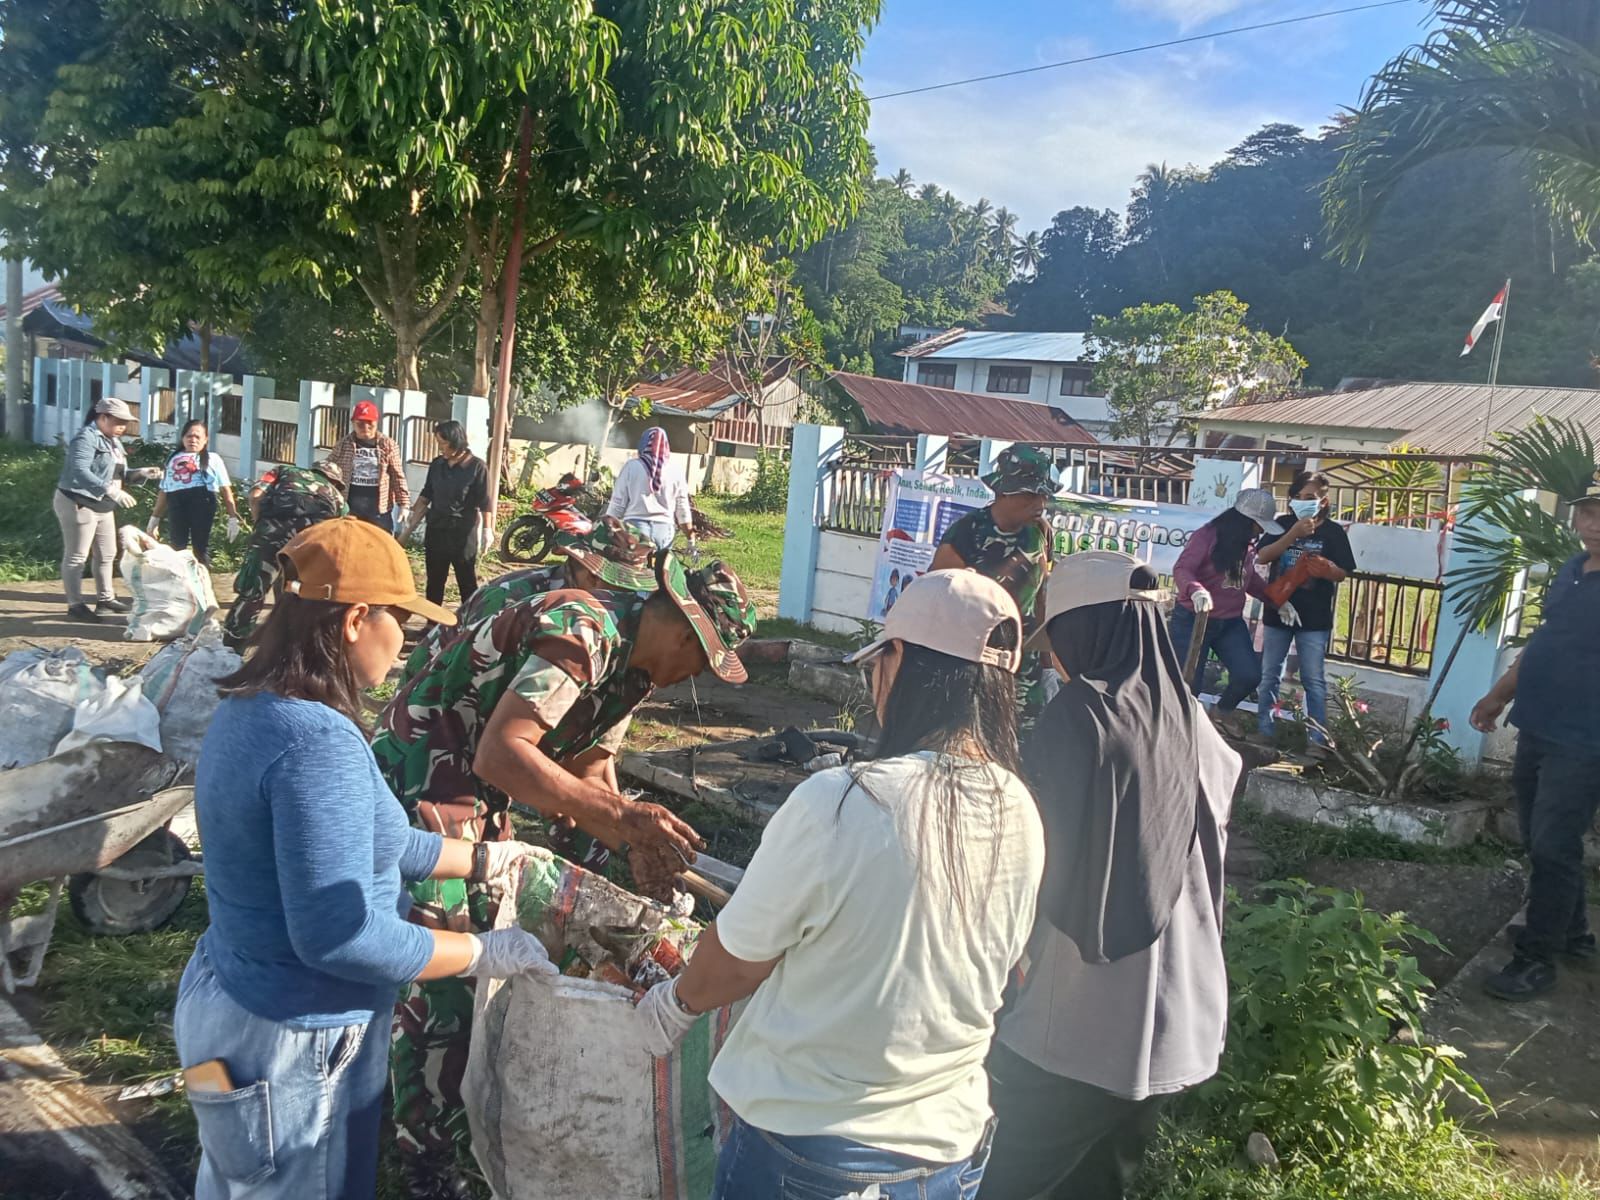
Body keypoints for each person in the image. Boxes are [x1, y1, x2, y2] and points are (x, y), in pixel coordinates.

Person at [173, 518, 558, 1200]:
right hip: (291, 1041)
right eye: (399, 620)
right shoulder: (317, 743)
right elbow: (341, 937)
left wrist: (488, 860)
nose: (405, 640)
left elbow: (386, 839)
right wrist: (484, 953)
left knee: (237, 1181)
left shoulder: (253, 706)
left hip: (227, 999)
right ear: (356, 620)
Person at [637, 570, 1046, 1200]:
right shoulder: (1018, 805)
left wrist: (673, 1004)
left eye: (878, 663)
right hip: (950, 1149)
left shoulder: (843, 800)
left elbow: (735, 964)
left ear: (900, 659)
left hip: (814, 1151)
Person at [372, 551, 757, 1196]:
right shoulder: (584, 633)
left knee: (492, 936)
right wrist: (622, 817)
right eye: (700, 662)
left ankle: (433, 1096)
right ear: (682, 632)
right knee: (447, 958)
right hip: (428, 770)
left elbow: (590, 768)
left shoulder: (634, 672)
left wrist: (629, 841)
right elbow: (502, 753)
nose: (692, 679)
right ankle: (423, 1155)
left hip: (479, 788)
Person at [978, 552, 1241, 1200]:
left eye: (1060, 643)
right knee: (1096, 1185)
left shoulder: (1082, 717)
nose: (1056, 662)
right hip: (1180, 1021)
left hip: (1077, 1025)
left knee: (1000, 1182)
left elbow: (1030, 866)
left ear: (1087, 631)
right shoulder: (1196, 721)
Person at [1470, 481, 1600, 1001]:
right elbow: (1543, 641)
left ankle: (1536, 960)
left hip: (1585, 739)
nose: (1593, 524)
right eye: (1587, 513)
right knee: (1540, 837)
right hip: (1538, 724)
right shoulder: (1573, 569)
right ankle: (1573, 933)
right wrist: (1497, 696)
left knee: (1553, 844)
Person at [403, 516, 658, 679]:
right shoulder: (510, 598)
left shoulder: (597, 611)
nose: (623, 599)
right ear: (591, 576)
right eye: (620, 588)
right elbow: (462, 673)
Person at [1254, 471, 1357, 744]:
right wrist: (1293, 534)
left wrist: (1329, 570)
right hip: (1278, 611)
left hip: (1314, 617)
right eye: (1297, 496)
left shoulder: (1333, 532)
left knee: (1313, 680)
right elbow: (1262, 556)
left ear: (1323, 501)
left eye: (1309, 497)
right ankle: (1265, 732)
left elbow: (1343, 572)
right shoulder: (1282, 524)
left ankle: (1317, 741)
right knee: (1270, 675)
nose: (1302, 501)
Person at [1168, 488, 1284, 727]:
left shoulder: (1247, 546)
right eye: (1259, 525)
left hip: (1230, 623)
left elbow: (1249, 580)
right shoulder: (1206, 536)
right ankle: (1182, 731)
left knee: (1248, 675)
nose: (1261, 531)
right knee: (1189, 685)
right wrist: (1195, 590)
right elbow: (1182, 568)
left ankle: (1221, 713)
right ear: (1245, 521)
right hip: (1193, 620)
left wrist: (1278, 602)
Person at [930, 445, 1057, 637]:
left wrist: (1048, 653)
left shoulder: (1040, 531)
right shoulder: (966, 532)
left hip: (1025, 651)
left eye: (1044, 496)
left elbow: (1042, 594)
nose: (1040, 504)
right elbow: (937, 599)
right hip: (974, 649)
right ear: (1003, 493)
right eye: (1030, 495)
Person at [54, 396, 161, 622]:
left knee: (107, 553)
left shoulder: (113, 440)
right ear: (102, 417)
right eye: (118, 421)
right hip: (78, 502)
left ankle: (105, 599)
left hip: (103, 504)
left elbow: (117, 473)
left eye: (125, 422)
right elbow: (80, 471)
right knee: (77, 556)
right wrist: (111, 490)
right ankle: (75, 605)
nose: (123, 426)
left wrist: (141, 473)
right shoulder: (86, 437)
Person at [221, 460, 347, 650]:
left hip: (269, 538)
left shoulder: (283, 471)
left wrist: (261, 525)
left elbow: (255, 495)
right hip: (304, 549)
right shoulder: (338, 497)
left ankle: (233, 644)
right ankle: (285, 643)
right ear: (335, 481)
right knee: (295, 592)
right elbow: (339, 532)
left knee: (254, 589)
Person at [399, 420, 493, 608]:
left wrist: (487, 530)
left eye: (443, 443)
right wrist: (412, 513)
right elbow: (427, 493)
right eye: (438, 443)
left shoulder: (477, 467)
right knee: (434, 580)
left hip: (462, 533)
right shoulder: (437, 464)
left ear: (456, 441)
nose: (440, 447)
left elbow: (485, 501)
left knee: (466, 581)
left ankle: (469, 620)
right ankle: (432, 622)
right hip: (437, 529)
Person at [147, 420, 244, 566]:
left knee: (200, 547)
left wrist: (232, 518)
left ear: (205, 440)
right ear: (183, 438)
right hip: (177, 501)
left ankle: (203, 575)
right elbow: (165, 489)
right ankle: (180, 577)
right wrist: (155, 518)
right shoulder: (173, 458)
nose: (193, 440)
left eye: (198, 437)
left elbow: (225, 489)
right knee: (177, 546)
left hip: (202, 501)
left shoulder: (213, 458)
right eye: (189, 436)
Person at [606, 425, 694, 550]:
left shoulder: (631, 467)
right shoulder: (676, 470)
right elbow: (682, 509)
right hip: (665, 531)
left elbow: (617, 504)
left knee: (636, 562)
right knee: (660, 563)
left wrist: (608, 526)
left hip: (635, 529)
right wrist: (690, 538)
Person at [330, 399, 409, 533]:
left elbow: (397, 475)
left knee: (380, 540)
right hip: (350, 505)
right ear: (353, 423)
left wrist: (404, 504)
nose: (365, 428)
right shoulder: (344, 444)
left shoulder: (387, 445)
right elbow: (330, 468)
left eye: (370, 423)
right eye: (360, 424)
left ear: (376, 422)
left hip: (379, 508)